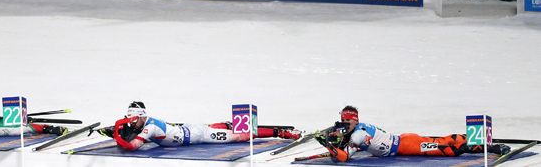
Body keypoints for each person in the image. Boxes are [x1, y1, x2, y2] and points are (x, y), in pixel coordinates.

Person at [315, 106, 510, 162]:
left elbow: (343, 158)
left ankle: (491, 147)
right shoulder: (360, 128)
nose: (344, 125)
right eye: (343, 121)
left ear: (355, 120)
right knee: (444, 140)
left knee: (449, 151)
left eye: (347, 121)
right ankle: (474, 136)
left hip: (409, 146)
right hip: (406, 139)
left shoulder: (357, 134)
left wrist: (327, 144)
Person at [112, 101, 301, 152]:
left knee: (242, 135)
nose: (131, 124)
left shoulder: (149, 128)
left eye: (133, 120)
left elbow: (131, 147)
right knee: (215, 127)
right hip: (190, 130)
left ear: (142, 117)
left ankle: (283, 133)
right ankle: (225, 124)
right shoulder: (146, 122)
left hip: (198, 136)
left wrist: (117, 134)